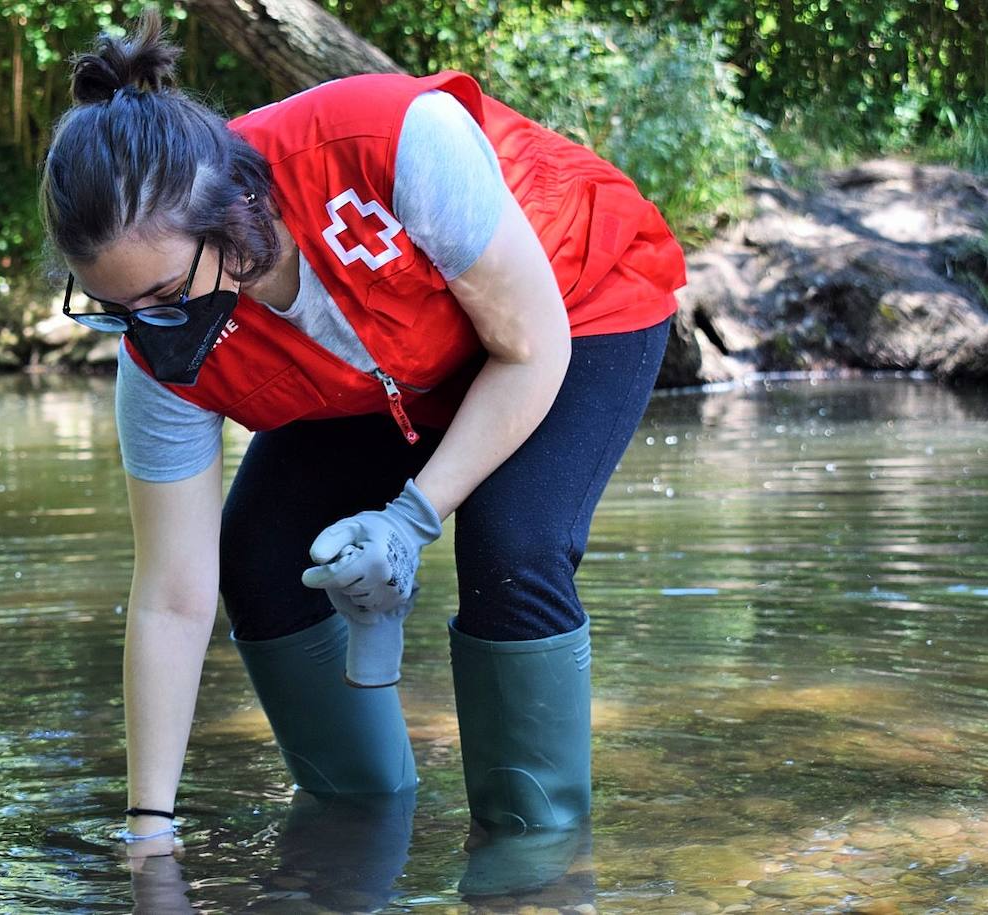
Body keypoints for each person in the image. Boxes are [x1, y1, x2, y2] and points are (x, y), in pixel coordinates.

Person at [39, 12, 686, 892]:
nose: (150, 327)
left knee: (512, 544)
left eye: (161, 294)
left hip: (575, 304)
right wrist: (151, 830)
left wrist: (409, 519)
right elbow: (171, 595)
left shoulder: (393, 143)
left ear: (231, 217)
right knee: (262, 558)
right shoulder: (157, 356)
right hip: (385, 371)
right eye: (121, 308)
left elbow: (529, 349)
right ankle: (355, 837)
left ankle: (534, 863)